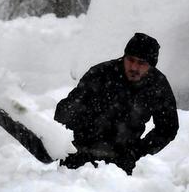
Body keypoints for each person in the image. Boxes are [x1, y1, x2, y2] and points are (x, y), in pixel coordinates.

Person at [54, 32, 179, 173]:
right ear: (124, 57)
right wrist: (77, 117)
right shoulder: (100, 73)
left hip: (121, 161)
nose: (134, 68)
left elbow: (168, 128)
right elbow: (63, 112)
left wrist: (137, 151)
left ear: (151, 66)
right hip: (81, 154)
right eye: (131, 60)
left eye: (141, 63)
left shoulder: (157, 85)